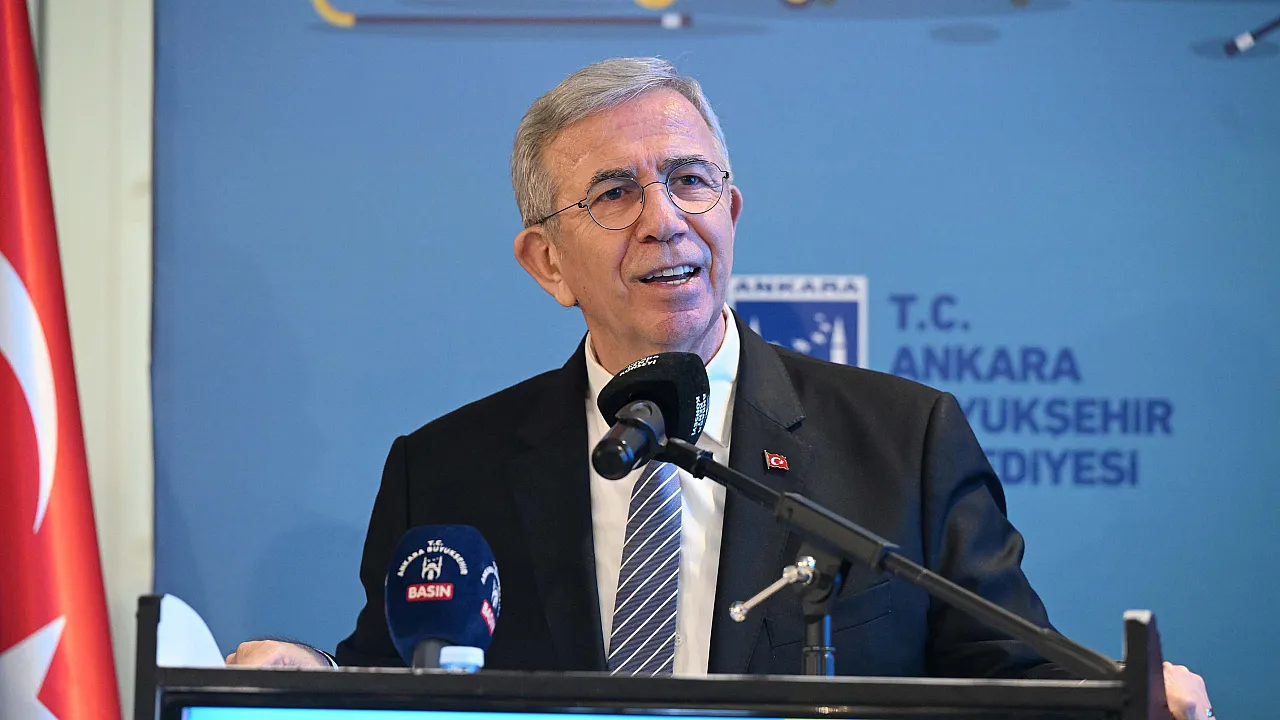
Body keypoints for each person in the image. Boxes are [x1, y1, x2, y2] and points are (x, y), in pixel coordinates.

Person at [227, 57, 1214, 719]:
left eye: (690, 180)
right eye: (614, 192)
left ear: (730, 212)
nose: (664, 219)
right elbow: (397, 681)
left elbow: (1015, 677)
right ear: (546, 262)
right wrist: (307, 678)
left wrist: (1126, 704)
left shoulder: (901, 441)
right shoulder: (445, 470)